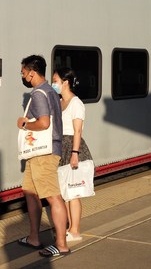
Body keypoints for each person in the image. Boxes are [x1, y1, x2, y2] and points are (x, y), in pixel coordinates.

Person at [16, 55, 69, 258]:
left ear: (32, 72)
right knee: (30, 192)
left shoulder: (38, 93)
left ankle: (61, 245)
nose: (22, 76)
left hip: (44, 153)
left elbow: (44, 123)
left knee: (53, 196)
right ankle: (33, 237)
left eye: (23, 72)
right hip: (40, 152)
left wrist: (24, 124)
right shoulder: (51, 91)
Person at [52, 67, 93, 243]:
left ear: (65, 82)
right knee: (66, 192)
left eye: (55, 81)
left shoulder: (76, 103)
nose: (53, 84)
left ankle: (75, 230)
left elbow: (78, 130)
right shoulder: (60, 102)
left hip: (73, 148)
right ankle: (69, 228)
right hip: (62, 148)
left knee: (74, 192)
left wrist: (75, 153)